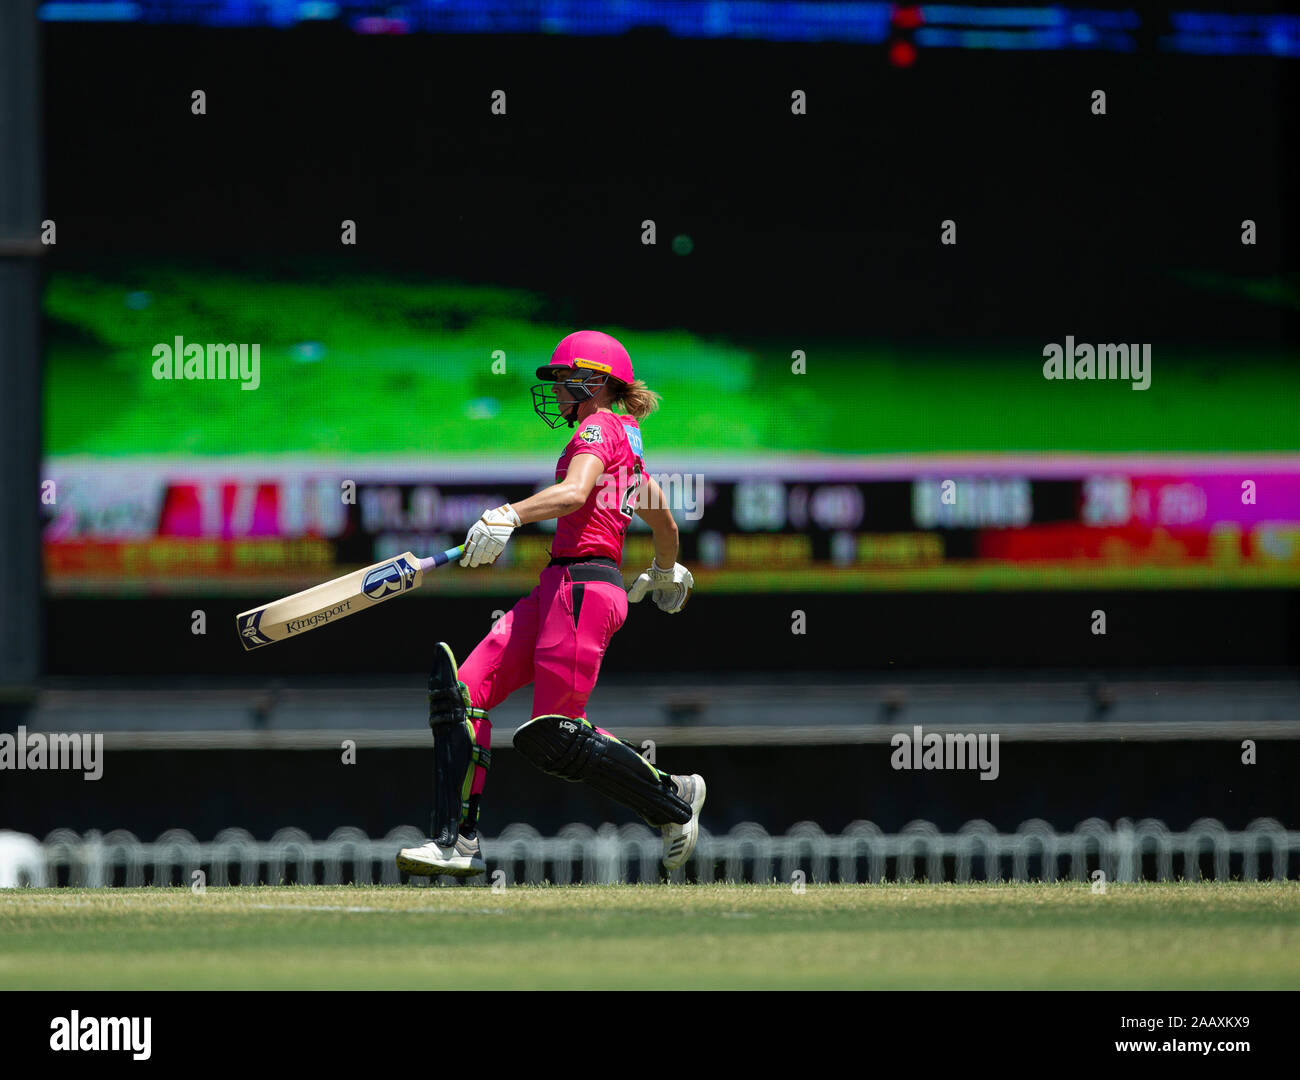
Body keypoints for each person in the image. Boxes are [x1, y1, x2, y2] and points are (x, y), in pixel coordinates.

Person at [397, 330, 705, 880]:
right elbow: (664, 520)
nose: (558, 391)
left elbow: (574, 494)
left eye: (564, 380)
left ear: (593, 381)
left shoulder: (597, 426)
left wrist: (508, 515)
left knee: (557, 735)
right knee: (461, 695)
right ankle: (455, 842)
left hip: (584, 590)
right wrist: (664, 569)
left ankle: (672, 799)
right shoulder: (628, 445)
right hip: (558, 586)